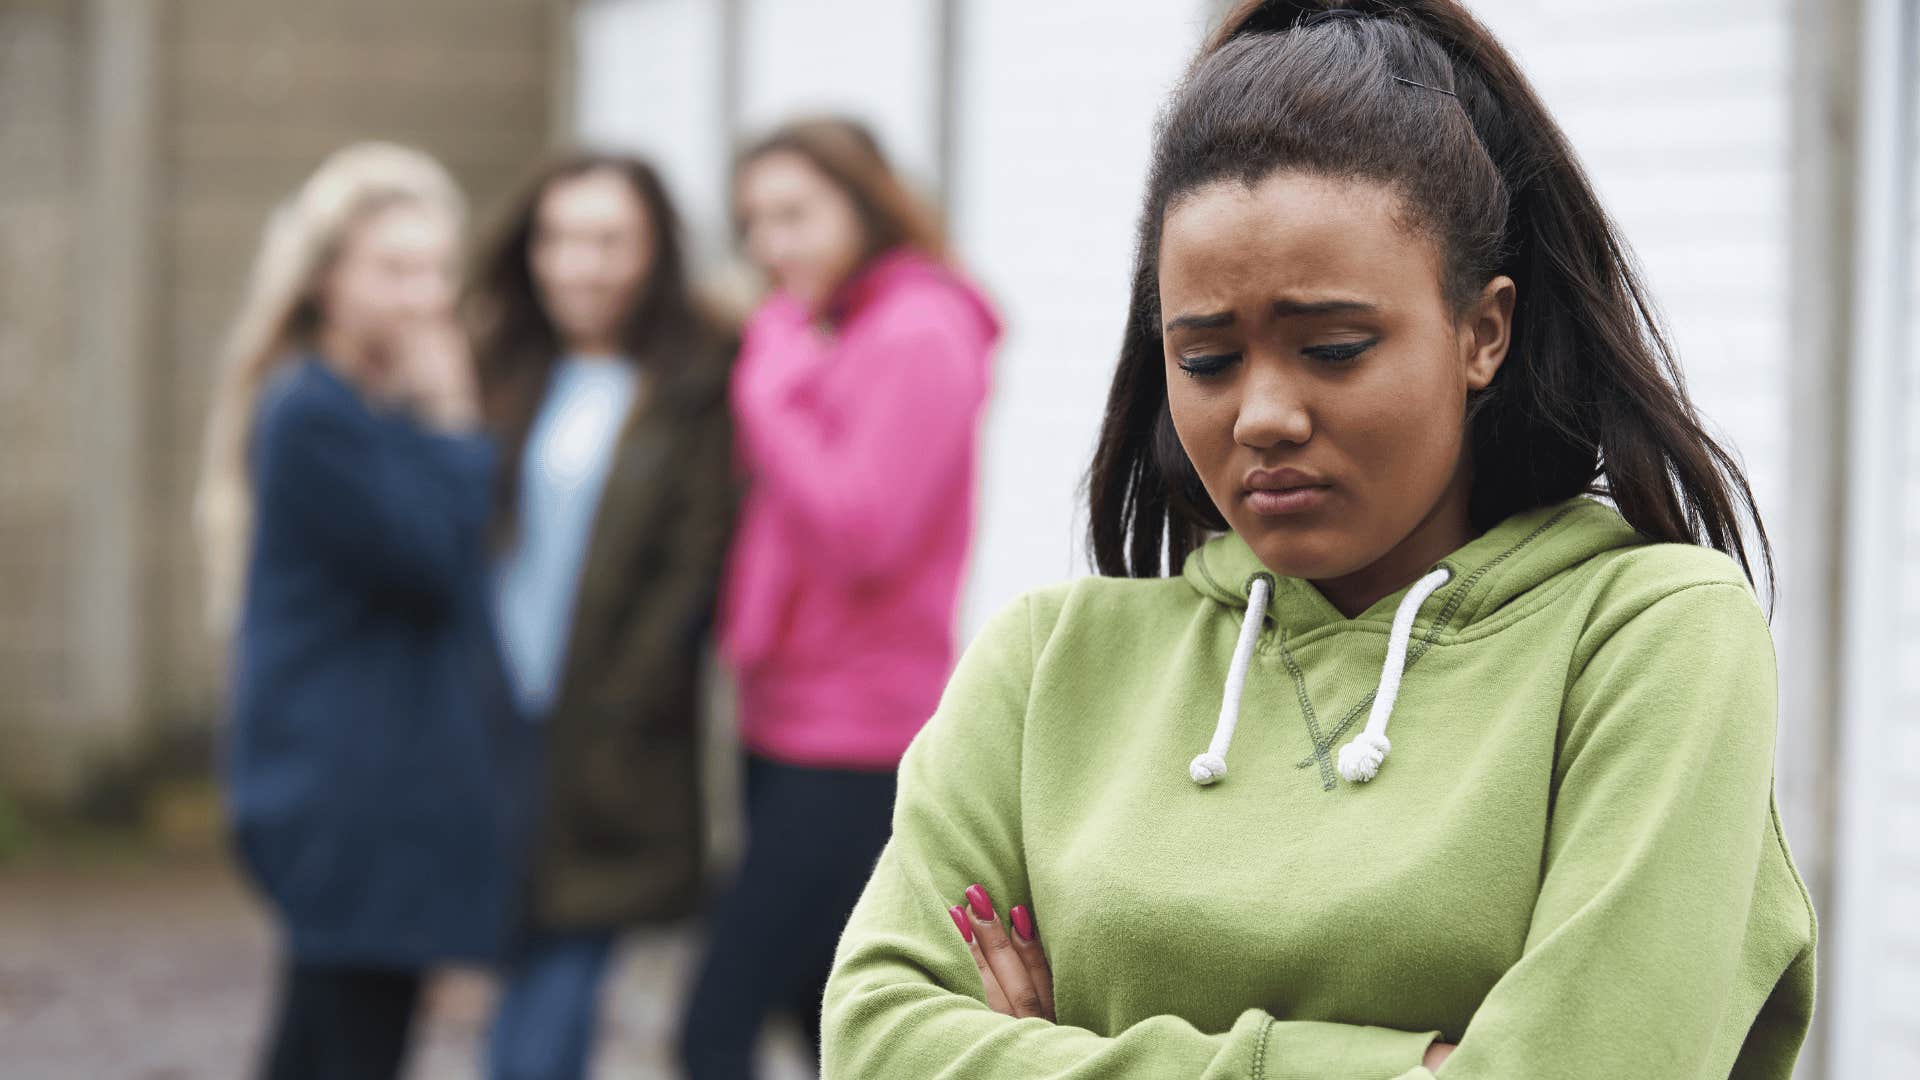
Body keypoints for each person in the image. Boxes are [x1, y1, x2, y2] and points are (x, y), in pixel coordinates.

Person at [820, 4, 1817, 1078]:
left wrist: (1058, 1055)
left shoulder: (1647, 641)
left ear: (1483, 332)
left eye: (1332, 348)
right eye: (1204, 360)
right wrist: (1401, 1065)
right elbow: (876, 1042)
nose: (1261, 415)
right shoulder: (1046, 664)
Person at [677, 118, 1002, 1078]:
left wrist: (770, 388)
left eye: (795, 214)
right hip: (781, 711)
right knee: (818, 1013)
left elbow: (864, 530)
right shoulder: (834, 325)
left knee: (715, 1022)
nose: (772, 247)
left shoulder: (920, 330)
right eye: (754, 224)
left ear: (864, 205)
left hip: (855, 729)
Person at [198, 142, 513, 1080]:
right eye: (394, 269)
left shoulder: (368, 408)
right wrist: (456, 415)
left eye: (437, 270)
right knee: (352, 1040)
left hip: (371, 786)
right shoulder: (314, 412)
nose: (425, 298)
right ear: (326, 278)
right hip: (341, 795)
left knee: (317, 1040)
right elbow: (429, 565)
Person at [466, 151, 738, 1080]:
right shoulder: (499, 361)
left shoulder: (697, 377)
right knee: (511, 976)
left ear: (654, 250)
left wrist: (624, 706)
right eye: (560, 238)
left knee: (564, 979)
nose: (579, 264)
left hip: (612, 730)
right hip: (492, 718)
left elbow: (692, 567)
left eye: (608, 239)